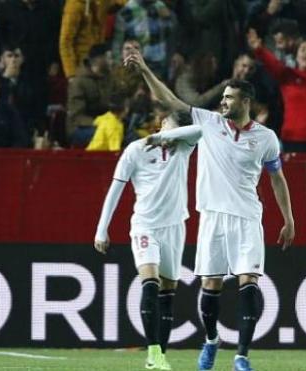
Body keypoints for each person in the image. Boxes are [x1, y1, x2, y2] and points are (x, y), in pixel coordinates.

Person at [125, 49, 295, 371]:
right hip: (212, 217)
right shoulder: (208, 122)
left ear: (246, 102)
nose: (224, 102)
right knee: (211, 288)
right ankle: (212, 338)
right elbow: (171, 101)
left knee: (249, 283)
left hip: (247, 218)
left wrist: (289, 219)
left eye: (230, 98)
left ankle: (242, 355)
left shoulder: (266, 139)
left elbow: (277, 179)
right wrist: (145, 70)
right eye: (224, 97)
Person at [93, 110, 202, 370]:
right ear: (162, 123)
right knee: (150, 284)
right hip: (145, 226)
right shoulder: (135, 150)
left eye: (176, 134)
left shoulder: (184, 147)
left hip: (175, 227)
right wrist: (101, 229)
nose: (173, 138)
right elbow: (116, 188)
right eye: (169, 130)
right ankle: (152, 350)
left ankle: (160, 356)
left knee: (167, 293)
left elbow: (200, 131)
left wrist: (168, 137)